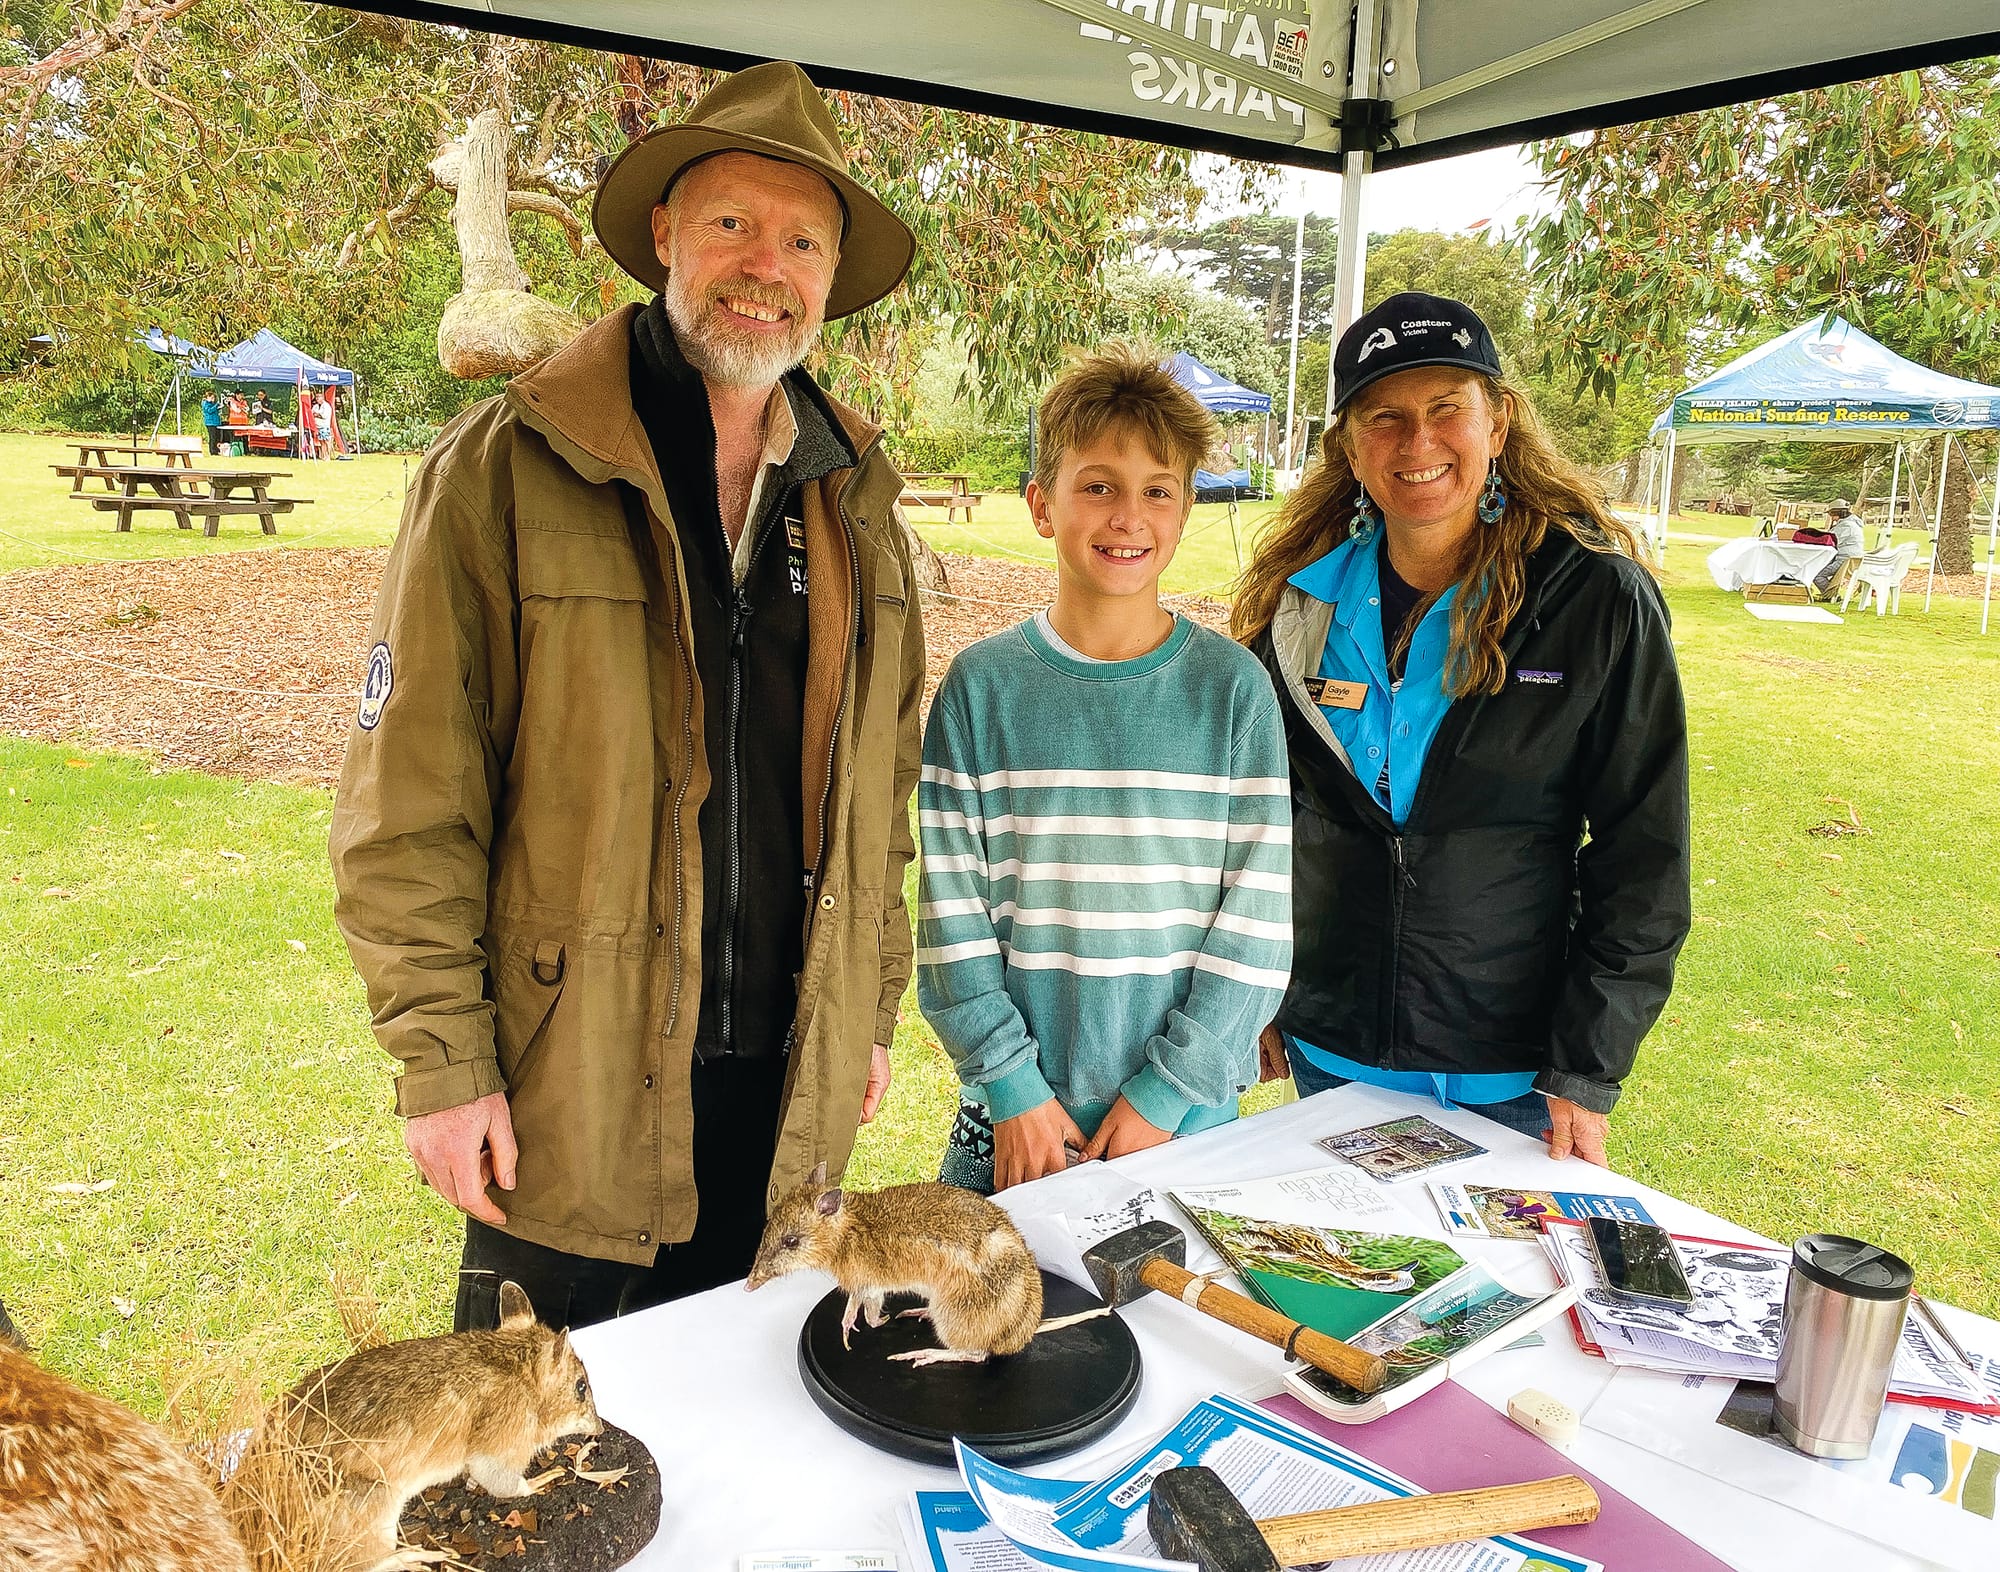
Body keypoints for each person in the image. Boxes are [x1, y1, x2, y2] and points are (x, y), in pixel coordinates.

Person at [329, 60, 925, 1330]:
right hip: (573, 1086)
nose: (766, 265)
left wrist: (864, 1014)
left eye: (801, 241)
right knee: (540, 1461)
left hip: (784, 1088)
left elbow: (887, 799)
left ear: (829, 276)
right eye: (731, 225)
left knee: (746, 1443)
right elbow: (410, 800)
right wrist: (442, 1066)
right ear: (662, 234)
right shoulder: (505, 464)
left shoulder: (856, 498)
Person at [1231, 292, 1691, 1167]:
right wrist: (1263, 996)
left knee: (1488, 1299)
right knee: (1347, 1289)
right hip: (1337, 1050)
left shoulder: (1592, 600)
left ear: (1499, 420)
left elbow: (1645, 852)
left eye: (1448, 409)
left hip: (1511, 1071)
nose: (1418, 443)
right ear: (1349, 446)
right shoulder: (1301, 607)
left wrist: (1587, 1067)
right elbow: (1259, 828)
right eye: (1385, 417)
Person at [918, 344, 1292, 1194]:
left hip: (1185, 1125)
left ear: (1186, 509)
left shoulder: (1232, 691)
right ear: (1042, 505)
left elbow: (1258, 926)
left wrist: (1167, 1096)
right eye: (1098, 486)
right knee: (989, 1324)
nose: (1128, 515)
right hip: (1013, 1125)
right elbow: (951, 919)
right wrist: (1013, 1089)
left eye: (1157, 490)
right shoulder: (982, 690)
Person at [1812, 499, 1865, 598]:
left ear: (1840, 513)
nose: (1831, 517)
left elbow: (1831, 540)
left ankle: (1831, 596)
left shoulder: (1847, 525)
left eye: (1832, 514)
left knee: (1816, 574)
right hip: (1850, 558)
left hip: (1845, 560)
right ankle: (1830, 595)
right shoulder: (1850, 523)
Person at [199, 390, 223, 457]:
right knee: (212, 437)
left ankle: (217, 450)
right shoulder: (205, 403)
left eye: (213, 398)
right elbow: (209, 410)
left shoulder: (212, 403)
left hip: (216, 422)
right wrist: (216, 406)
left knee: (217, 437)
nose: (213, 399)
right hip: (210, 423)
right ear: (207, 397)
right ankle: (212, 451)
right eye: (211, 398)